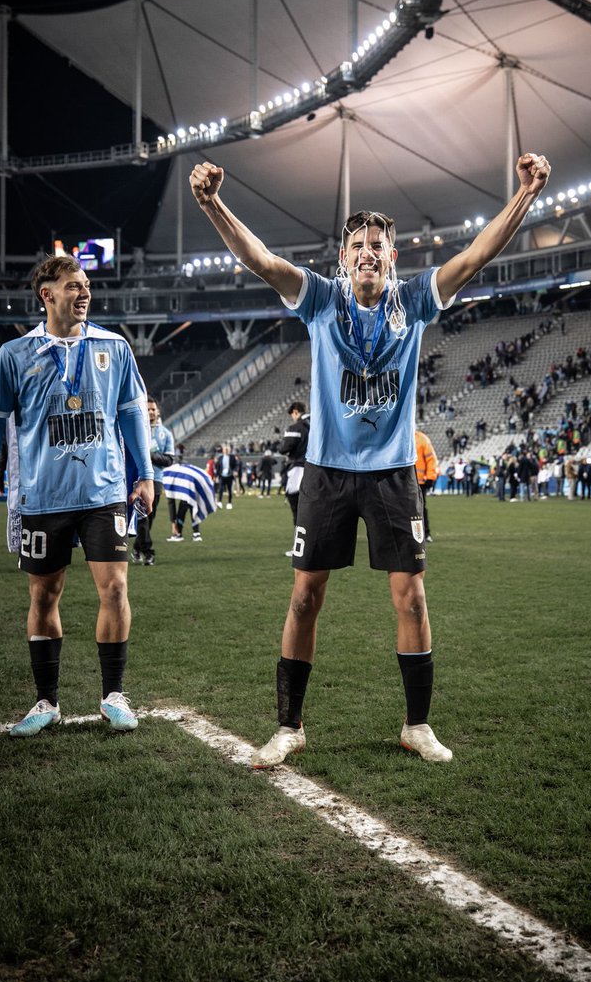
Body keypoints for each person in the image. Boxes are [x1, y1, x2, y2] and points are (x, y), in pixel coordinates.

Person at [189, 149, 550, 767]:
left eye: (377, 244)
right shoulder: (321, 300)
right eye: (357, 243)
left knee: (411, 598)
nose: (367, 251)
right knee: (305, 598)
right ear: (342, 257)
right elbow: (262, 260)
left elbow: (476, 255)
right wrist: (212, 203)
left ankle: (417, 725)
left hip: (391, 474)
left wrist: (526, 194)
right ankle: (289, 726)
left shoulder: (413, 300)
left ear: (392, 256)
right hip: (328, 473)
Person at [0, 254, 155, 737]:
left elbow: (133, 413)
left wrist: (145, 473)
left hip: (104, 491)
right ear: (47, 294)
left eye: (87, 285)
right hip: (42, 496)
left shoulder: (114, 348)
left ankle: (113, 694)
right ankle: (46, 701)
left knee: (115, 588)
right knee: (44, 594)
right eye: (74, 286)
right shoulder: (14, 355)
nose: (84, 293)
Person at [133, 395, 174, 564]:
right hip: (137, 478)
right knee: (142, 518)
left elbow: (169, 460)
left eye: (153, 409)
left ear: (158, 411)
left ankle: (136, 548)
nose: (150, 412)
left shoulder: (165, 434)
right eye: (147, 409)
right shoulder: (136, 428)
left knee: (149, 518)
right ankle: (148, 552)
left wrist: (149, 456)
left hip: (156, 480)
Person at [280, 400, 310, 537]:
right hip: (315, 470)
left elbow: (284, 448)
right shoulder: (315, 424)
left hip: (298, 469)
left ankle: (299, 547)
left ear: (295, 412)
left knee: (297, 509)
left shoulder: (296, 428)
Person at [414, 427, 438, 542]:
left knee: (421, 509)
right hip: (401, 482)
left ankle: (425, 533)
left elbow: (431, 459)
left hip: (419, 482)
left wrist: (430, 477)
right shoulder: (399, 436)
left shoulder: (422, 439)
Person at [215, 442, 239, 509]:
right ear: (223, 450)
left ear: (229, 450)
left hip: (229, 476)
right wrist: (216, 476)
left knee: (229, 490)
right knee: (221, 489)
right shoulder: (220, 458)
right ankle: (219, 502)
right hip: (222, 476)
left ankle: (229, 503)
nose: (226, 451)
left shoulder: (232, 457)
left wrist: (235, 471)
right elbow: (218, 468)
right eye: (225, 450)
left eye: (227, 450)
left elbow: (236, 465)